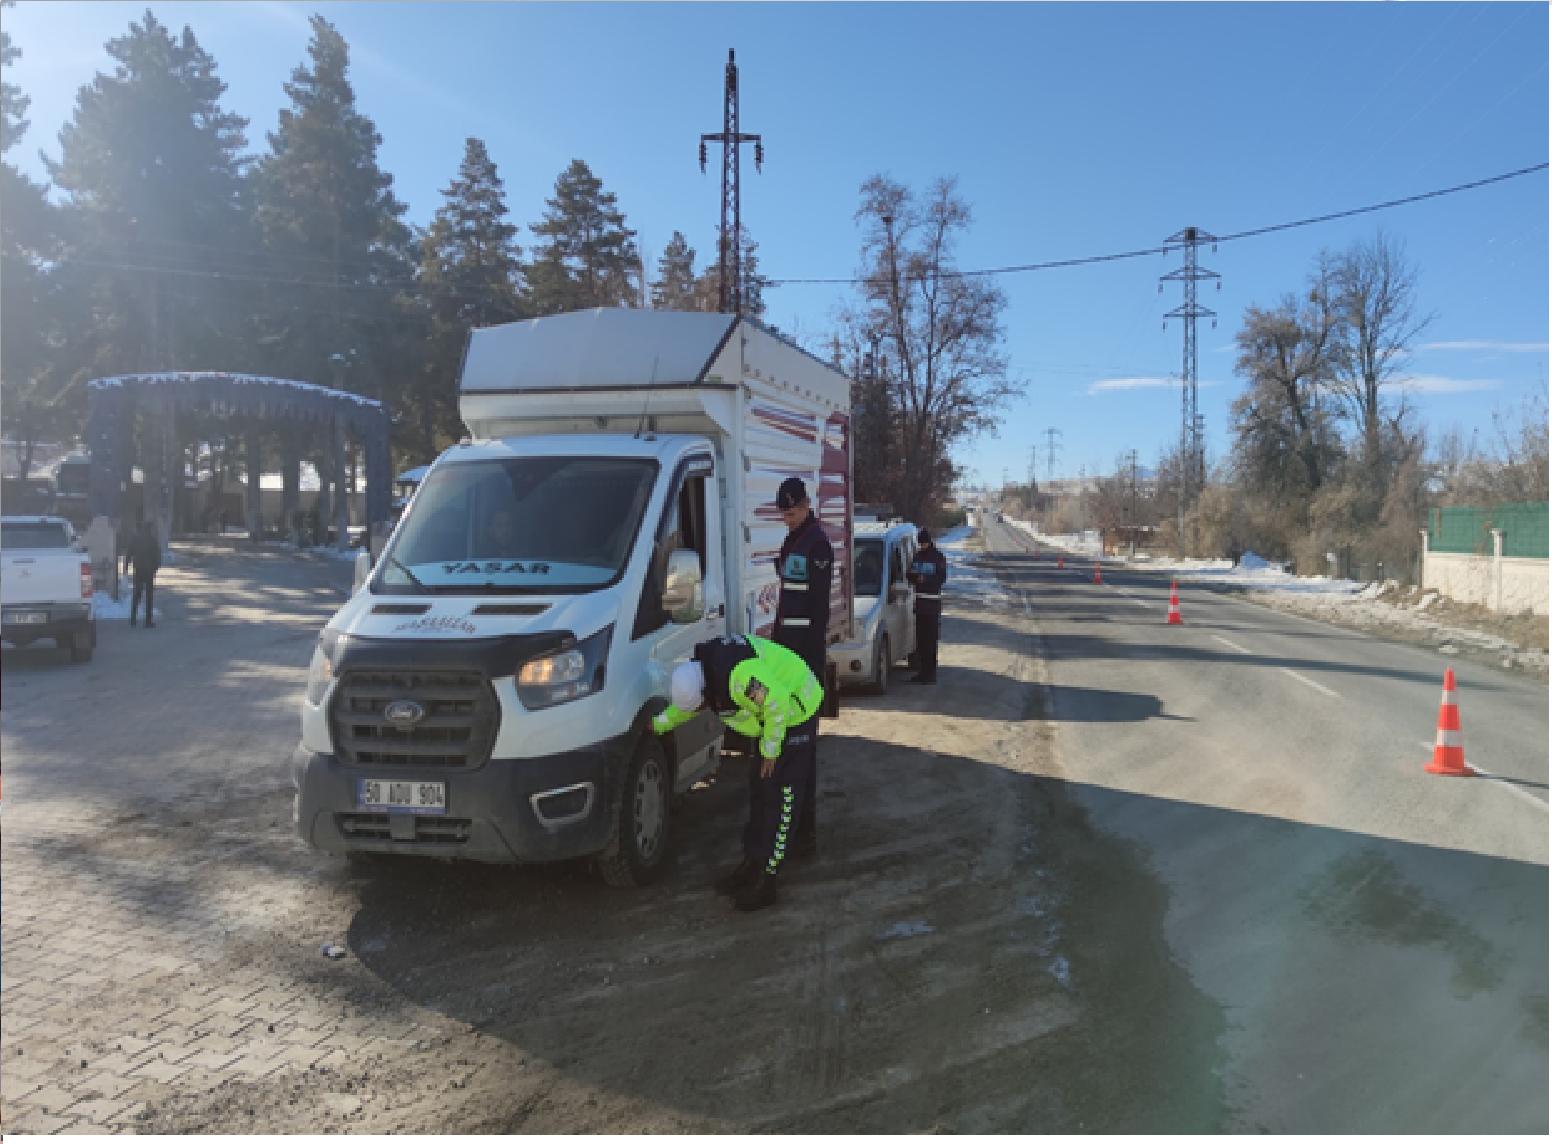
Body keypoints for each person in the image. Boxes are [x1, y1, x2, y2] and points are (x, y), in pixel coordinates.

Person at [652, 635, 823, 912]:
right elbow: (688, 708)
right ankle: (753, 861)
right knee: (759, 791)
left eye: (700, 704)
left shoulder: (740, 677)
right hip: (773, 719)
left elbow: (776, 702)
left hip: (794, 711)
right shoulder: (704, 672)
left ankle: (767, 878)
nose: (700, 710)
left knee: (781, 798)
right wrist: (658, 724)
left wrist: (770, 750)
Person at [771, 476, 833, 857]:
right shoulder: (793, 539)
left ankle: (804, 834)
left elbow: (818, 610)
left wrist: (808, 667)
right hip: (786, 655)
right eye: (783, 512)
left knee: (802, 747)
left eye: (792, 510)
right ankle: (791, 828)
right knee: (789, 750)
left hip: (803, 660)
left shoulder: (817, 544)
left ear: (807, 505)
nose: (787, 517)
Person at [907, 528, 948, 683]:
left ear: (929, 541)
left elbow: (941, 578)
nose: (922, 545)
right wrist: (915, 578)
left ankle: (931, 674)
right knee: (921, 641)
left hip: (932, 604)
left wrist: (926, 580)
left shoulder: (938, 557)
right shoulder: (917, 557)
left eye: (924, 543)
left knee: (931, 641)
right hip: (920, 604)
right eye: (920, 543)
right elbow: (909, 573)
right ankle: (922, 672)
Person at [123, 520, 163, 628]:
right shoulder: (152, 540)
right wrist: (155, 569)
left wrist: (125, 568)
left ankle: (133, 619)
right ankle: (148, 621)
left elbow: (128, 554)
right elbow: (158, 556)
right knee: (149, 596)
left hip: (138, 570)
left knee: (137, 594)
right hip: (149, 571)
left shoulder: (135, 539)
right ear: (149, 529)